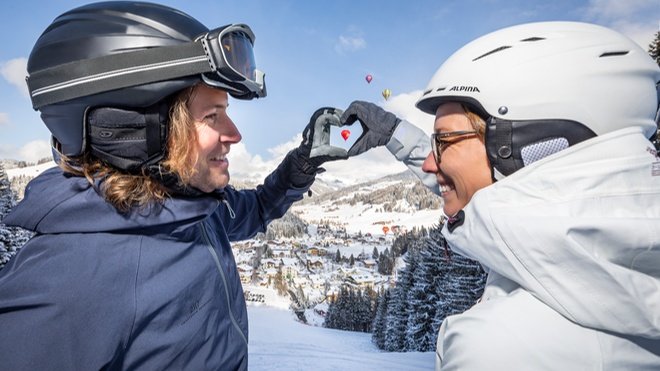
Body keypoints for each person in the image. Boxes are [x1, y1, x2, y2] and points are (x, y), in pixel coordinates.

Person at [0, 2, 346, 370]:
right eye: (212, 116)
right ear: (131, 129)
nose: (235, 134)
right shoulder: (69, 281)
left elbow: (256, 209)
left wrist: (300, 166)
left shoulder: (190, 208)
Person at [340, 22, 660, 369]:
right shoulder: (628, 236)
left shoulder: (494, 348)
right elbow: (491, 187)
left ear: (526, 146)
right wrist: (394, 134)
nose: (431, 163)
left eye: (443, 142)